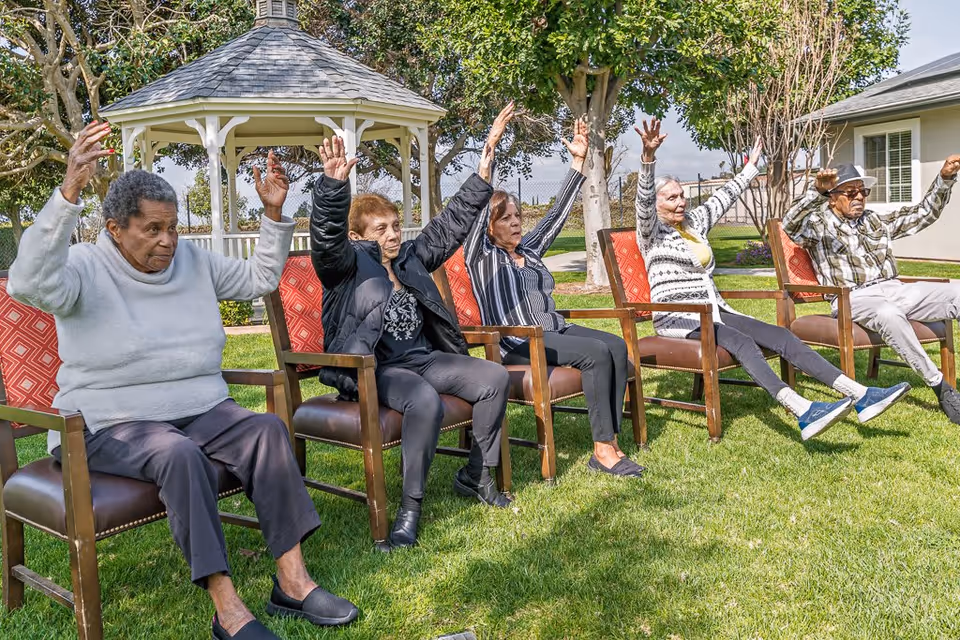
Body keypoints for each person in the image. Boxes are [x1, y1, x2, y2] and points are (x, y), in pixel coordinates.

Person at [7, 121, 358, 640]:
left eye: (172, 227)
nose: (168, 240)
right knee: (176, 453)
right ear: (113, 228)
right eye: (152, 229)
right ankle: (227, 607)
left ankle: (293, 581)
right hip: (109, 422)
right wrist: (69, 191)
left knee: (266, 431)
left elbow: (259, 280)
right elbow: (27, 281)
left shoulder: (191, 259)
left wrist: (273, 214)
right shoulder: (80, 268)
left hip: (201, 408)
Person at [309, 105, 516, 550]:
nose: (392, 234)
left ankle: (475, 474)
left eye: (395, 225)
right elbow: (326, 242)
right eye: (381, 228)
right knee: (423, 400)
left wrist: (483, 170)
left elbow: (450, 226)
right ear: (361, 234)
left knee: (494, 376)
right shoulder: (347, 266)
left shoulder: (410, 258)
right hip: (375, 369)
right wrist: (332, 188)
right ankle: (410, 510)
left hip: (424, 359)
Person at [633, 118, 910, 441]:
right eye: (671, 199)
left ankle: (861, 395)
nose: (680, 202)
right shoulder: (651, 232)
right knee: (741, 341)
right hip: (679, 317)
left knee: (779, 335)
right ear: (656, 205)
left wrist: (752, 167)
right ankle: (802, 410)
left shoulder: (694, 222)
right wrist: (648, 158)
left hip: (715, 312)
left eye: (682, 196)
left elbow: (726, 195)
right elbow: (642, 202)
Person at [465, 118, 644, 478]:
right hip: (518, 341)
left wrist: (578, 163)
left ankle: (611, 438)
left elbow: (557, 215)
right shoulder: (480, 255)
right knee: (595, 354)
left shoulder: (529, 250)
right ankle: (603, 448)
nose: (516, 223)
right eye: (506, 218)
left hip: (554, 330)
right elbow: (474, 212)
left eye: (517, 216)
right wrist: (489, 155)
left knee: (614, 346)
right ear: (489, 226)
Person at [783, 158, 960, 424]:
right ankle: (941, 387)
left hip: (895, 289)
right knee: (888, 313)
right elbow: (789, 226)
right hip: (853, 298)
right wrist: (816, 192)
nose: (859, 197)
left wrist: (945, 178)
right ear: (832, 198)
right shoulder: (818, 224)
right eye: (850, 192)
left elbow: (923, 214)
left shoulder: (874, 221)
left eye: (863, 192)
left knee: (957, 290)